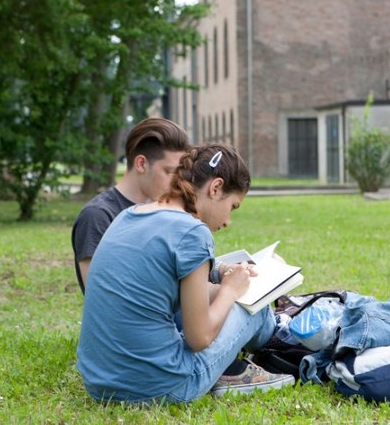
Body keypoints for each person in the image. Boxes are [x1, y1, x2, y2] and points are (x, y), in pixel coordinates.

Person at [76, 143, 295, 403]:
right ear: (215, 188)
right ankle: (283, 343)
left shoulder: (129, 215)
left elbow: (177, 291)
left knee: (235, 294)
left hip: (99, 384)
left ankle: (269, 340)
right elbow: (198, 338)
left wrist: (225, 281)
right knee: (255, 308)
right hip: (163, 386)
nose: (227, 221)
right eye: (233, 207)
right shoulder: (192, 232)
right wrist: (230, 290)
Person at [71, 117, 190, 294]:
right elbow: (100, 295)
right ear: (141, 164)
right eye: (169, 172)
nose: (176, 183)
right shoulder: (97, 216)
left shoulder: (164, 209)